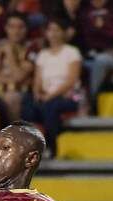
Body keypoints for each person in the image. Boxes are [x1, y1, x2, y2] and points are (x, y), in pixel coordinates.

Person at [28, 19, 83, 154]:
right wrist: (38, 94)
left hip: (69, 95)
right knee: (28, 105)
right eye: (50, 30)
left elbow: (72, 80)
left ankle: (51, 146)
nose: (53, 34)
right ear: (46, 33)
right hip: (47, 95)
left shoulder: (72, 52)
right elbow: (37, 81)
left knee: (51, 106)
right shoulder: (43, 54)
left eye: (57, 30)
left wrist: (50, 96)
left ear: (64, 32)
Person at [76, 0, 113, 104]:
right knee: (75, 61)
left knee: (101, 60)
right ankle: (77, 102)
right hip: (89, 55)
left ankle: (91, 101)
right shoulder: (83, 7)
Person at [0, 13, 36, 123]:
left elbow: (19, 76)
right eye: (12, 27)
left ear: (26, 29)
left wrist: (10, 53)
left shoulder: (31, 47)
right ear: (6, 28)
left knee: (12, 97)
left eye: (20, 27)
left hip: (22, 93)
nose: (16, 31)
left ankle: (14, 133)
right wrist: (10, 79)